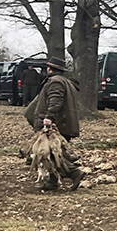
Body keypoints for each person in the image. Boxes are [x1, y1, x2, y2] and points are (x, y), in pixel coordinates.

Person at [29, 56, 85, 191]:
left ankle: (74, 173)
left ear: (50, 69)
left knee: (53, 154)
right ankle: (52, 183)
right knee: (56, 155)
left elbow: (56, 100)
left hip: (59, 124)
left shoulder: (55, 82)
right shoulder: (64, 81)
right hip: (63, 122)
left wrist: (49, 117)